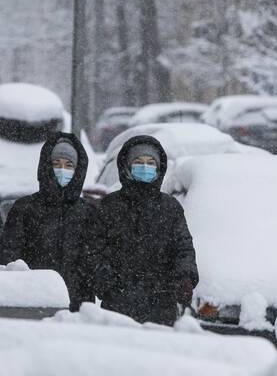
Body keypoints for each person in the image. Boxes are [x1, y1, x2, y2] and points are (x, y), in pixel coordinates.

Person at [84, 134, 197, 325]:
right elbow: (93, 249)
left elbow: (183, 247)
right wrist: (105, 281)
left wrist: (185, 277)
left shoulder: (170, 208)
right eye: (138, 162)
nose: (144, 167)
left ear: (159, 167)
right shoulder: (109, 206)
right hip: (117, 305)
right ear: (127, 166)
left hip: (161, 305)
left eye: (150, 162)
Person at [0, 132, 96, 310]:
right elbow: (9, 259)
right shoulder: (25, 208)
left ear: (78, 170)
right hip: (33, 302)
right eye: (56, 164)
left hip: (78, 306)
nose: (62, 170)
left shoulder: (88, 212)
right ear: (46, 167)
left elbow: (94, 262)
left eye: (68, 165)